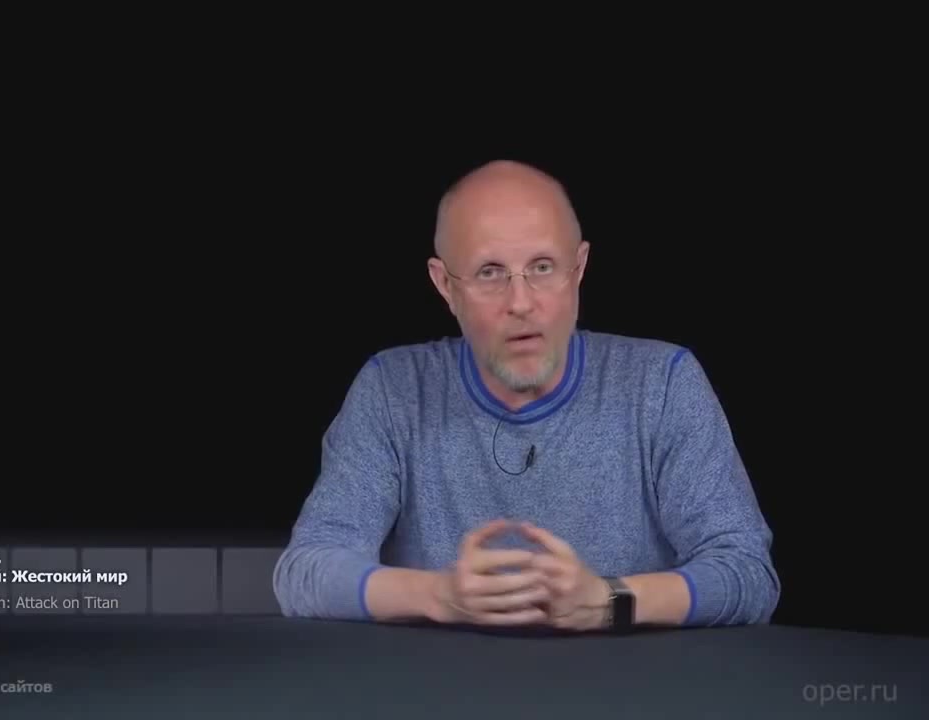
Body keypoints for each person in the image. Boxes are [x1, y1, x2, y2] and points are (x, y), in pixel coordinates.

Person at [272, 160, 780, 631]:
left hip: (631, 685)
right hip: (437, 685)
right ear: (445, 286)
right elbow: (306, 572)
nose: (520, 303)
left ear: (579, 269)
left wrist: (608, 601)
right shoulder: (393, 390)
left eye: (542, 267)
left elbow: (748, 575)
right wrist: (437, 595)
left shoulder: (662, 383)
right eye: (490, 272)